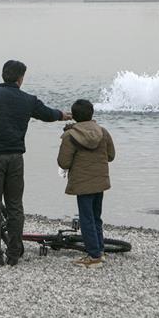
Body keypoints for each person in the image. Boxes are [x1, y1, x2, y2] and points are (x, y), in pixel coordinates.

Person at [0, 60, 71, 266]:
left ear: (4, 74)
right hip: (15, 159)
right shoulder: (27, 99)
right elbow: (46, 114)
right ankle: (14, 254)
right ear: (20, 78)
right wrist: (62, 115)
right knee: (15, 206)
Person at [56, 99, 115, 268]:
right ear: (92, 113)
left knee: (86, 218)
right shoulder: (103, 132)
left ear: (74, 116)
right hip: (100, 180)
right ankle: (99, 250)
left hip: (82, 183)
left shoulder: (70, 135)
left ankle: (94, 256)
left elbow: (63, 162)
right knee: (96, 217)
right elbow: (111, 156)